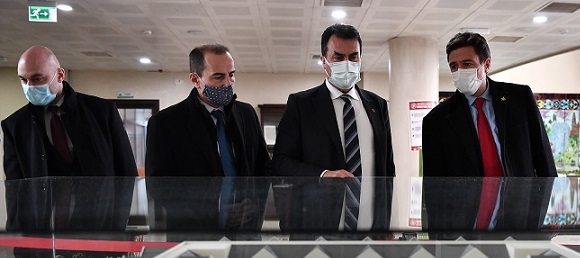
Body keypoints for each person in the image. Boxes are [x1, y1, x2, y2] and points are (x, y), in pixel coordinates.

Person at [422, 32, 557, 177]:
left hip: (518, 191)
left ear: (486, 65)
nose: (459, 71)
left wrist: (549, 190)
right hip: (468, 192)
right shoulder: (437, 120)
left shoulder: (520, 98)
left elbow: (543, 156)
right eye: (454, 66)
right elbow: (435, 182)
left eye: (467, 64)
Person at [271, 23, 395, 178]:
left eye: (353, 57)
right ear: (324, 61)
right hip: (320, 194)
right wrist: (323, 175)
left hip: (372, 195)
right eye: (338, 57)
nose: (347, 64)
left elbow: (388, 166)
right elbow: (281, 163)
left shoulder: (378, 105)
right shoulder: (301, 105)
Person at [1, 45, 138, 180]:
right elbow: (15, 185)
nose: (29, 86)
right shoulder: (15, 126)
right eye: (23, 80)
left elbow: (127, 170)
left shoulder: (102, 112)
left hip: (99, 194)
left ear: (60, 75)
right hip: (44, 195)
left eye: (37, 79)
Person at [145, 43, 270, 177]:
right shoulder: (165, 123)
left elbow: (263, 167)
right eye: (218, 77)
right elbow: (159, 184)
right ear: (195, 80)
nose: (228, 83)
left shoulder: (246, 113)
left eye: (231, 75)